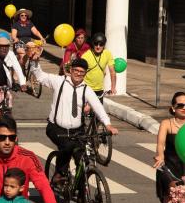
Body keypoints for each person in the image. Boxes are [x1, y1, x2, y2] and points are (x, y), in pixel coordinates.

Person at [27, 55, 119, 183]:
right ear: (71, 70)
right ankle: (60, 173)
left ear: (85, 74)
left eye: (82, 72)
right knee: (67, 146)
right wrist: (34, 62)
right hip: (57, 128)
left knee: (84, 160)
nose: (78, 74)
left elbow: (98, 107)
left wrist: (108, 125)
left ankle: (82, 197)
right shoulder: (59, 82)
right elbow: (41, 77)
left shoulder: (86, 89)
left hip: (77, 131)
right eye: (76, 70)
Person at [153, 92, 185, 203]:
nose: (184, 108)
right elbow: (160, 144)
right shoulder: (167, 124)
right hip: (171, 163)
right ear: (173, 108)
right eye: (180, 105)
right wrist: (160, 156)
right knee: (169, 180)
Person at [81, 32, 116, 97]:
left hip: (100, 90)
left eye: (101, 44)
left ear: (104, 45)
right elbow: (80, 73)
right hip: (86, 89)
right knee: (86, 107)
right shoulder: (86, 56)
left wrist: (113, 88)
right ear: (92, 44)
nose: (98, 46)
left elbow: (112, 72)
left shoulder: (107, 54)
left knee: (99, 107)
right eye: (96, 44)